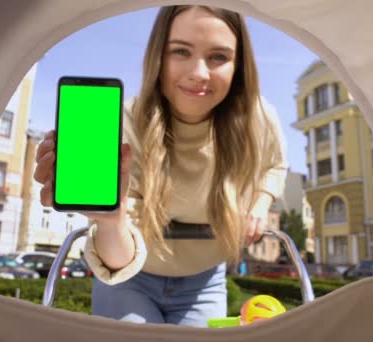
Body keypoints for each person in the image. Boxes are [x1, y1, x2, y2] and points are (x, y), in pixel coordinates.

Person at [34, 5, 287, 327]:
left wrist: (261, 201)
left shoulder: (259, 120)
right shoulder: (122, 127)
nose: (199, 72)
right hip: (130, 276)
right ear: (158, 56)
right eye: (181, 51)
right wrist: (112, 221)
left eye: (219, 57)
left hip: (205, 279)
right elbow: (118, 259)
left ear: (239, 66)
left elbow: (275, 166)